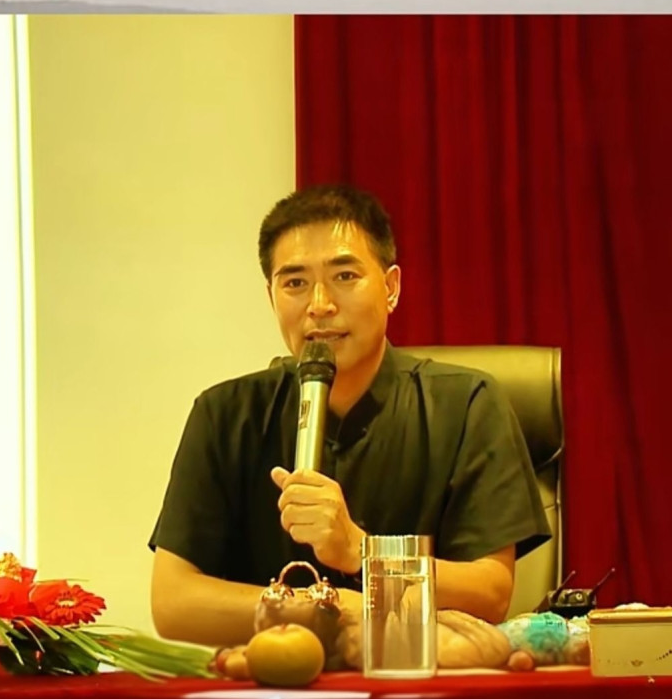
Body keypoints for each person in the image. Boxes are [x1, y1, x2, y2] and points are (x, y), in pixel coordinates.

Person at [150, 184, 550, 648]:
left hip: (417, 683)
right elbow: (173, 603)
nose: (319, 304)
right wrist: (330, 608)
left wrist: (360, 550)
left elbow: (490, 593)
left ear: (391, 287)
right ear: (271, 297)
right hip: (270, 685)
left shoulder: (468, 404)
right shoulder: (224, 415)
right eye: (295, 283)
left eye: (344, 276)